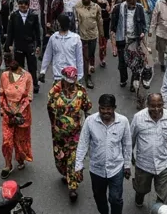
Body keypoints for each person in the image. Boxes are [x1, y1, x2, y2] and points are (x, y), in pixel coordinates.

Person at [74, 93, 132, 214]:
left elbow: (127, 144)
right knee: (99, 198)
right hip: (96, 170)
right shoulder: (90, 121)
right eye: (102, 108)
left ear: (114, 108)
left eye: (108, 109)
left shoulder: (123, 121)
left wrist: (127, 165)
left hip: (116, 169)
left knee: (115, 199)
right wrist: (78, 165)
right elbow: (83, 143)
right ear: (99, 107)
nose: (105, 111)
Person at [46, 67, 92, 202]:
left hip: (76, 134)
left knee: (73, 159)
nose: (71, 83)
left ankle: (73, 187)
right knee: (61, 159)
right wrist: (55, 126)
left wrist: (88, 126)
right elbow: (50, 110)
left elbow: (87, 107)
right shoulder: (55, 91)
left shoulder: (81, 91)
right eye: (68, 81)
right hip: (59, 134)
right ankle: (65, 173)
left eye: (73, 81)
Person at [130, 93, 167, 207]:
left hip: (164, 163)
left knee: (163, 196)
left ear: (163, 104)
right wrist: (129, 159)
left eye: (159, 105)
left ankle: (160, 209)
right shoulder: (138, 118)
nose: (156, 109)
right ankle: (139, 197)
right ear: (147, 105)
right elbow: (131, 139)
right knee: (141, 190)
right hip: (143, 164)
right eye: (153, 106)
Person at [0, 52, 34, 178]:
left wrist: (18, 112)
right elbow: (2, 94)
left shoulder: (28, 77)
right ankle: (7, 165)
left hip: (21, 115)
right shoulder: (4, 76)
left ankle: (20, 159)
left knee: (20, 141)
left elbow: (28, 97)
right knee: (7, 141)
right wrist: (5, 111)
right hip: (8, 114)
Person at [5, 0, 43, 93]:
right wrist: (8, 45)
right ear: (18, 4)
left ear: (28, 5)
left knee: (32, 66)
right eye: (21, 4)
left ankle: (34, 84)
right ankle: (20, 84)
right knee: (19, 66)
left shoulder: (33, 15)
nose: (23, 6)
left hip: (30, 45)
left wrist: (38, 45)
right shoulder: (14, 16)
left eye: (25, 4)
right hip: (19, 44)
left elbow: (37, 32)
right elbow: (10, 32)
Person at [111, 0, 147, 88]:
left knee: (135, 63)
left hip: (135, 40)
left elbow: (144, 24)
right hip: (122, 40)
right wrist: (113, 44)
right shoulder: (118, 8)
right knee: (122, 63)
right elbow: (113, 26)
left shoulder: (140, 8)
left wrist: (143, 33)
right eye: (129, 0)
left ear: (136, 0)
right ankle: (123, 79)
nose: (131, 2)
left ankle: (133, 83)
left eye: (133, 0)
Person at [41, 13, 84, 83]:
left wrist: (79, 76)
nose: (56, 24)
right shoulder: (53, 38)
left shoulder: (76, 38)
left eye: (57, 23)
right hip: (58, 75)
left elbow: (79, 58)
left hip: (71, 76)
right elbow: (47, 55)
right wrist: (43, 71)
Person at [74, 0, 104, 89]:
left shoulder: (96, 7)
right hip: (82, 37)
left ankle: (89, 67)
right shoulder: (77, 6)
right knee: (85, 57)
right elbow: (75, 21)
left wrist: (102, 36)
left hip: (93, 35)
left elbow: (100, 21)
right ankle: (87, 78)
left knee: (91, 54)